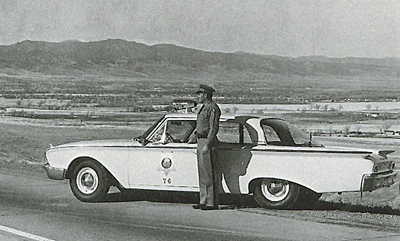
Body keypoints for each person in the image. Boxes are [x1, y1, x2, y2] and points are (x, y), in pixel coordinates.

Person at [192, 84, 221, 210]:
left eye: (200, 94)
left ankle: (211, 202)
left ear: (206, 95)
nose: (198, 96)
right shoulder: (203, 108)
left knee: (209, 174)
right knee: (202, 173)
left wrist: (207, 144)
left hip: (207, 142)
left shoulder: (212, 108)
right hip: (200, 141)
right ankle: (203, 200)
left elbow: (213, 128)